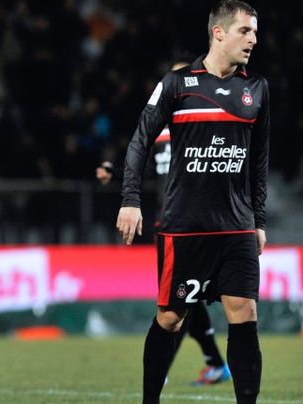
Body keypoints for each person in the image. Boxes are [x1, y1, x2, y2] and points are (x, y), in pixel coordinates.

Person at [116, 1, 268, 403]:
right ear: (218, 32)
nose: (253, 39)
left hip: (236, 226)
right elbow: (139, 142)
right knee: (170, 317)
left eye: (255, 32)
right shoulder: (177, 85)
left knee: (245, 313)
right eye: (244, 31)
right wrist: (130, 200)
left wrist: (259, 219)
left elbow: (259, 161)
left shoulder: (256, 90)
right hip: (186, 226)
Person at [98, 58, 231, 386]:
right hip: (168, 223)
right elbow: (138, 154)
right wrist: (114, 170)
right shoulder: (159, 127)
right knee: (183, 298)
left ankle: (171, 367)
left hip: (196, 223)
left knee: (179, 299)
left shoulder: (203, 127)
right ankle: (213, 362)